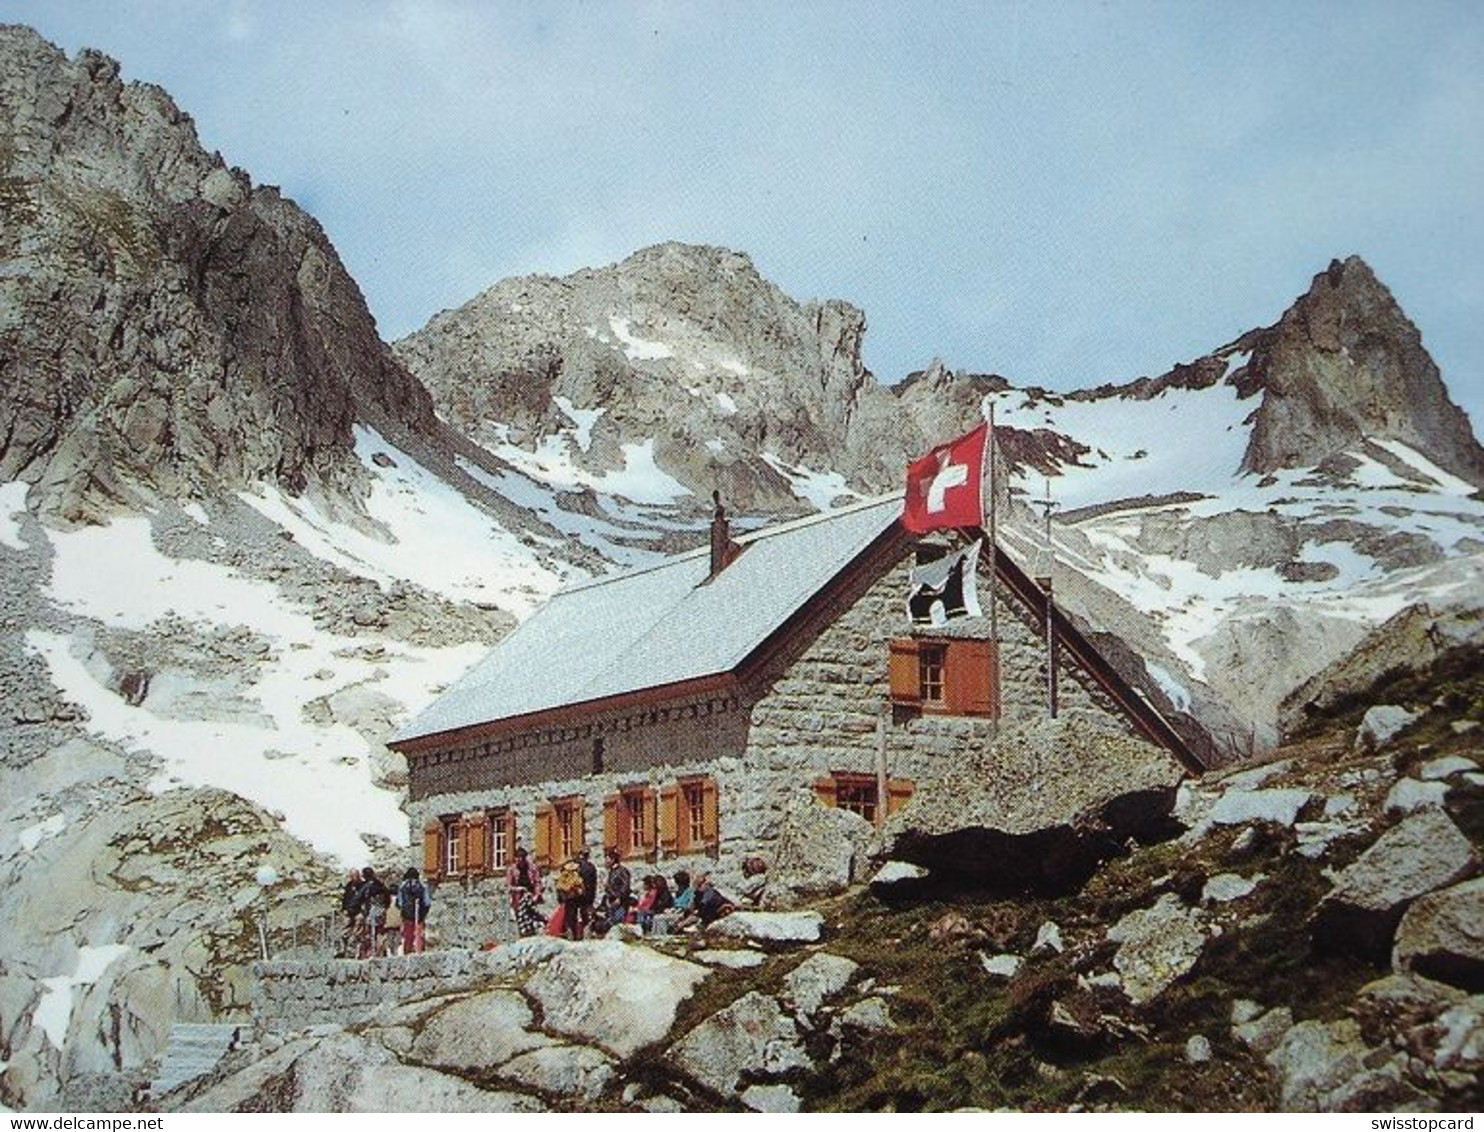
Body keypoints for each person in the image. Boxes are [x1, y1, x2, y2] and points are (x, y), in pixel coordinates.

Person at [506, 846, 544, 937]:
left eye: (522, 858)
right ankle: (523, 936)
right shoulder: (512, 869)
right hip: (518, 899)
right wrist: (518, 889)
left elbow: (537, 882)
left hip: (531, 897)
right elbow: (509, 886)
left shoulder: (532, 868)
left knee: (533, 918)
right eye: (518, 858)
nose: (520, 860)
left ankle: (533, 935)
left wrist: (537, 895)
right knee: (521, 919)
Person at [354, 867, 391, 958]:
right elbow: (388, 899)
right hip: (381, 911)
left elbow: (357, 899)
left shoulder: (366, 886)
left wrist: (354, 908)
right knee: (380, 932)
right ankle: (380, 952)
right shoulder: (381, 885)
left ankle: (370, 953)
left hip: (370, 912)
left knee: (369, 933)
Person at [396, 868, 431, 954]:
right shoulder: (422, 886)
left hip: (407, 915)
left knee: (408, 935)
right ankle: (419, 951)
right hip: (420, 915)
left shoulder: (402, 886)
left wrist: (403, 911)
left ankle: (407, 952)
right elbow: (427, 902)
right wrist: (424, 913)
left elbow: (399, 903)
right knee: (419, 934)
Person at [602, 847, 632, 931]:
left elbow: (625, 886)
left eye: (607, 859)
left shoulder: (623, 871)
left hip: (620, 902)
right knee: (611, 923)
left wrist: (619, 898)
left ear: (613, 859)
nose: (606, 861)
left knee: (618, 923)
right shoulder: (611, 871)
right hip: (611, 901)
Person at [555, 859, 587, 940]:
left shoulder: (569, 876)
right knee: (571, 917)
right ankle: (573, 934)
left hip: (571, 899)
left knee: (571, 917)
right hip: (572, 899)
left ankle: (572, 934)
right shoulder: (571, 875)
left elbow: (561, 887)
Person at [576, 848, 598, 939]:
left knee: (574, 917)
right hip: (588, 896)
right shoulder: (591, 867)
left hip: (575, 895)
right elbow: (594, 884)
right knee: (586, 917)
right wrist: (592, 898)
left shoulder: (575, 866)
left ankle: (575, 936)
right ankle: (586, 937)